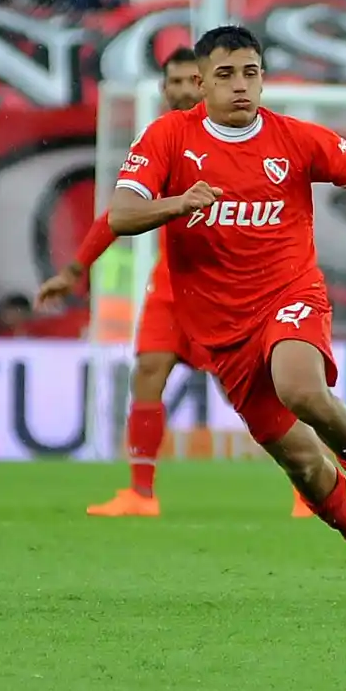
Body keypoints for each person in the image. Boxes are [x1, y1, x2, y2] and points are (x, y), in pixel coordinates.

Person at [106, 25, 346, 600]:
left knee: (301, 388)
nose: (240, 86)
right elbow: (119, 215)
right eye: (225, 75)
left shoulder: (296, 139)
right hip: (221, 330)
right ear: (204, 83)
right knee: (304, 467)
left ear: (263, 77)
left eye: (250, 73)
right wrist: (177, 203)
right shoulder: (167, 138)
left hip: (290, 294)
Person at [39, 49, 312, 520]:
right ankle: (141, 494)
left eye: (192, 80)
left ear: (205, 84)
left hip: (239, 291)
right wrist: (74, 270)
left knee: (266, 393)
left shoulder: (242, 137)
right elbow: (116, 216)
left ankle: (309, 488)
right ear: (165, 89)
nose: (185, 89)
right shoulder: (163, 141)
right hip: (173, 290)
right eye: (176, 82)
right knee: (148, 372)